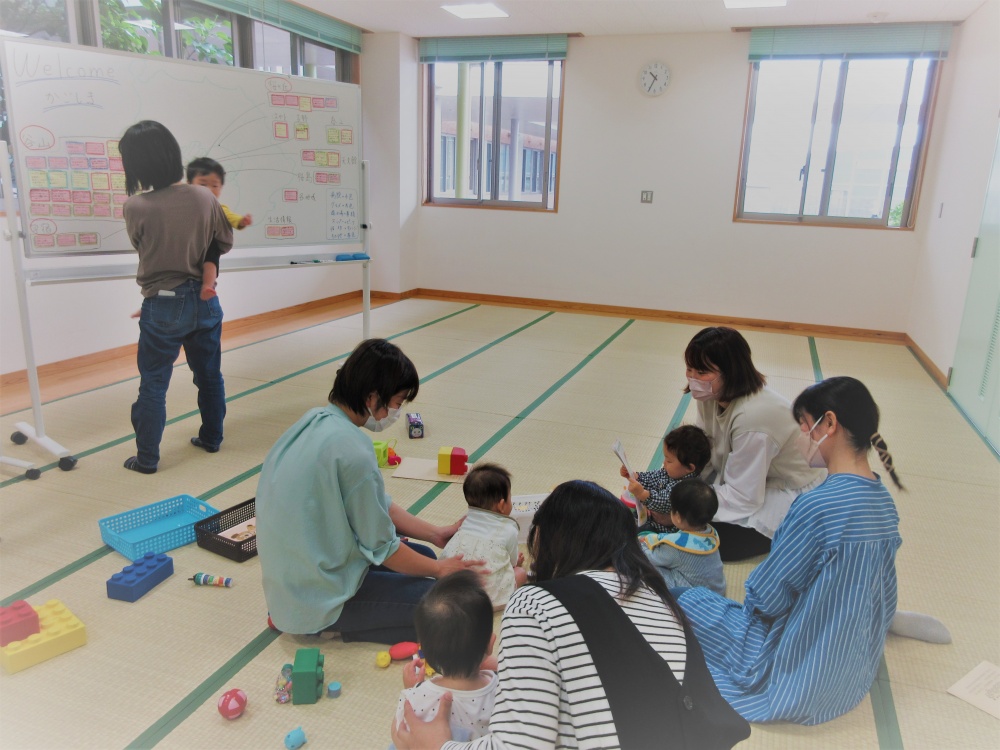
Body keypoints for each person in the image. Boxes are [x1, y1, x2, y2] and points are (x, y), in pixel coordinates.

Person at [392, 480, 751, 750]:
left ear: (551, 539)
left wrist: (438, 746)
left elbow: (518, 746)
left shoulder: (534, 602)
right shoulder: (657, 595)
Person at [678, 376, 904, 724]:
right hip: (853, 667)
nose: (801, 437)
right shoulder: (884, 501)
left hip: (800, 668)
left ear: (829, 423)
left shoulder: (818, 506)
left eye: (804, 426)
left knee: (687, 600)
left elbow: (767, 597)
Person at [255, 338, 482, 644]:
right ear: (373, 396)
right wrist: (441, 569)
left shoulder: (312, 421)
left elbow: (378, 507)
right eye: (397, 402)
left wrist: (435, 534)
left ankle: (308, 616)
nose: (396, 411)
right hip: (320, 594)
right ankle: (325, 626)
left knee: (425, 556)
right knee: (446, 608)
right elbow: (383, 547)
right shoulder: (353, 449)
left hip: (296, 580)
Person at [119, 120, 233, 474]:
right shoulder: (203, 196)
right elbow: (223, 241)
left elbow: (143, 247)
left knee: (154, 384)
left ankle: (147, 459)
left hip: (163, 301)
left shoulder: (135, 206)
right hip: (205, 301)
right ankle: (212, 438)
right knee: (209, 376)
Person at [684, 326, 825, 560]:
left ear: (731, 372)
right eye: (689, 369)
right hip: (751, 475)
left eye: (702, 372)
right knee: (676, 507)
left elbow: (744, 497)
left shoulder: (754, 417)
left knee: (713, 541)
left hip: (787, 486)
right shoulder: (710, 394)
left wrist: (685, 501)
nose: (693, 379)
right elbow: (705, 446)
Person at [393, 571, 499, 744]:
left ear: (424, 651)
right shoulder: (502, 690)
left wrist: (412, 690)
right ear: (490, 644)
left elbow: (400, 739)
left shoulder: (416, 697)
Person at [440, 464, 528, 610]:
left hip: (452, 592)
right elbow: (512, 563)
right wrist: (516, 562)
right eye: (510, 497)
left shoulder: (466, 520)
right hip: (488, 597)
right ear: (501, 505)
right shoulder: (508, 529)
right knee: (521, 573)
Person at [639, 479, 726, 595]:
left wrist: (642, 544)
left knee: (647, 567)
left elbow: (650, 557)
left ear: (678, 517)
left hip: (695, 597)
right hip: (718, 591)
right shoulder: (710, 533)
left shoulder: (676, 548)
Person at [620, 424, 712, 533]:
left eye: (669, 461)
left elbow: (664, 502)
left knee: (633, 533)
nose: (664, 463)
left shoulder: (689, 488)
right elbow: (654, 477)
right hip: (650, 517)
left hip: (663, 530)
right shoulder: (673, 472)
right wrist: (636, 476)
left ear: (689, 468)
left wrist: (642, 494)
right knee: (623, 517)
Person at [185, 157, 252, 301]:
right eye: (203, 184)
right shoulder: (183, 205)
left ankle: (207, 285)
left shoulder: (218, 208)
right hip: (188, 245)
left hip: (208, 244)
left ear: (220, 188)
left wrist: (241, 221)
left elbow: (231, 217)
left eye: (215, 186)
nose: (209, 189)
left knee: (211, 257)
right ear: (189, 184)